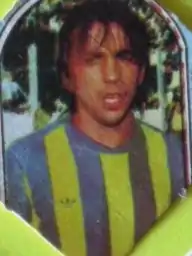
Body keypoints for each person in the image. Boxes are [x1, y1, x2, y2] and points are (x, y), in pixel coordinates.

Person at [5, 1, 185, 256]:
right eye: (93, 59)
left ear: (142, 71)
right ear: (67, 75)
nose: (112, 75)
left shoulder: (174, 156)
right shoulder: (25, 162)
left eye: (125, 57)